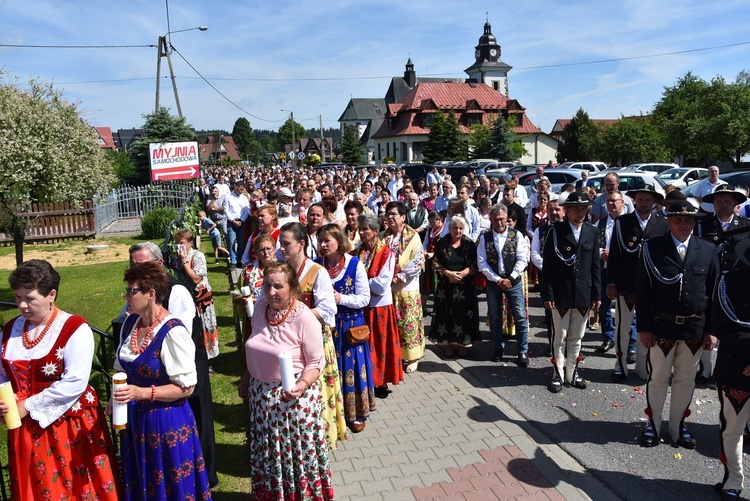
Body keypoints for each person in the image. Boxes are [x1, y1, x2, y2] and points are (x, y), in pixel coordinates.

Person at [0, 260, 120, 501]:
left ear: (51, 295)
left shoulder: (74, 329)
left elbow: (74, 382)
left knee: (70, 487)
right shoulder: (10, 329)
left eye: (30, 298)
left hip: (67, 426)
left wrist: (28, 406)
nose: (22, 305)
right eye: (17, 297)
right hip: (22, 426)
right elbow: (2, 374)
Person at [114, 261, 211, 500]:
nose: (126, 295)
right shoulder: (130, 324)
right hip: (136, 423)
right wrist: (116, 399)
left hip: (166, 423)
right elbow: (122, 371)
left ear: (151, 294)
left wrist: (141, 393)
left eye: (131, 291)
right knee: (141, 482)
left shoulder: (173, 331)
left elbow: (186, 387)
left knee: (169, 486)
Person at [237, 262, 334, 500]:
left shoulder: (304, 318)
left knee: (294, 460)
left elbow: (315, 363)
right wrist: (246, 378)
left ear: (292, 288)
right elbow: (255, 345)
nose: (270, 292)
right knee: (269, 457)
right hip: (262, 401)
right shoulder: (260, 308)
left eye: (278, 286)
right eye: (267, 285)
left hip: (293, 404)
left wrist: (300, 386)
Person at [635, 200, 719, 448]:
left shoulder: (707, 249)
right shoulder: (652, 248)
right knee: (658, 377)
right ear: (669, 221)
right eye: (678, 220)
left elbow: (713, 292)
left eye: (689, 220)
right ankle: (653, 424)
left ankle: (678, 426)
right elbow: (643, 291)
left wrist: (712, 330)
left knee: (686, 380)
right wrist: (644, 327)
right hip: (662, 326)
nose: (684, 225)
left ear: (695, 222)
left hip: (694, 328)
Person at [278, 222, 346, 449]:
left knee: (317, 390)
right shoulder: (283, 271)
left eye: (286, 244)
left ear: (301, 244)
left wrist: (297, 314)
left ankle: (321, 436)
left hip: (315, 341)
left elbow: (328, 309)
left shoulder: (318, 272)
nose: (282, 248)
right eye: (281, 244)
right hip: (289, 340)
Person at [606, 185, 669, 382]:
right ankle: (620, 365)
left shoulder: (663, 224)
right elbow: (615, 255)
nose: (644, 204)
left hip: (652, 287)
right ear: (634, 200)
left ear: (654, 202)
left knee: (646, 327)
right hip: (627, 284)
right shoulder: (623, 222)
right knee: (623, 327)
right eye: (640, 199)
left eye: (648, 200)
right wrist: (611, 282)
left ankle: (643, 366)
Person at [540, 190, 601, 393]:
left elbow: (595, 267)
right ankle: (558, 373)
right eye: (575, 208)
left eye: (583, 208)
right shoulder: (555, 232)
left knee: (577, 336)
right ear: (566, 210)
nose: (580, 212)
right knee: (560, 336)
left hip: (583, 293)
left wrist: (596, 294)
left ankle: (572, 372)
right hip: (561, 293)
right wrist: (547, 294)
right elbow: (547, 266)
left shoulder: (592, 231)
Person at [317, 224, 374, 433]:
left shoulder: (355, 264)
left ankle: (355, 414)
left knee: (351, 370)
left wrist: (341, 298)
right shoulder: (317, 265)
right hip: (325, 327)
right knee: (329, 370)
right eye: (320, 240)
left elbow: (364, 298)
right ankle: (331, 415)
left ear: (339, 242)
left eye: (327, 240)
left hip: (350, 327)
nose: (323, 245)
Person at [695, 185, 750, 384]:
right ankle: (704, 369)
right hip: (712, 280)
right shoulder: (703, 225)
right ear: (713, 204)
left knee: (732, 324)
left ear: (736, 203)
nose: (723, 204)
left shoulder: (746, 225)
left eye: (727, 200)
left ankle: (728, 364)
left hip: (737, 285)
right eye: (719, 201)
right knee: (709, 321)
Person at [352, 213, 404, 398]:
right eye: (361, 228)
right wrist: (364, 281)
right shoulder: (357, 252)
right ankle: (365, 380)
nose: (363, 232)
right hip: (361, 305)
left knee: (380, 346)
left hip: (379, 306)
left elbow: (382, 285)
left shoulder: (387, 253)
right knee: (363, 343)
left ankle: (380, 382)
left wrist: (361, 281)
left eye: (366, 228)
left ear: (376, 231)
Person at [712, 249, 750, 501]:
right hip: (735, 366)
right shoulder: (729, 280)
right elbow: (723, 324)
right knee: (732, 428)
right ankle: (733, 481)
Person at [478, 205, 531, 366]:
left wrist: (511, 277)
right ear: (491, 220)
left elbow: (523, 259)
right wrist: (497, 279)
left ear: (506, 217)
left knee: (520, 317)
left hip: (513, 281)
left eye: (501, 218)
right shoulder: (484, 238)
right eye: (495, 220)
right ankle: (498, 348)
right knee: (495, 317)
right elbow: (482, 262)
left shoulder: (517, 235)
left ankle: (522, 351)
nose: (499, 222)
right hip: (494, 282)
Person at [381, 201, 426, 373]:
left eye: (394, 214)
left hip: (407, 287)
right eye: (388, 214)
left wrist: (401, 274)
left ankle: (413, 357)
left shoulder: (412, 236)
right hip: (388, 288)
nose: (390, 217)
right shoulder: (383, 237)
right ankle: (397, 355)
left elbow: (418, 260)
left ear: (403, 217)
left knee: (409, 322)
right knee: (394, 324)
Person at [429, 215, 480, 357]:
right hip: (446, 285)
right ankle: (450, 344)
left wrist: (463, 273)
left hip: (465, 285)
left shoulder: (469, 244)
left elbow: (476, 263)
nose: (458, 231)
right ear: (449, 228)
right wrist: (448, 274)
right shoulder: (442, 242)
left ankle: (463, 344)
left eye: (460, 228)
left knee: (463, 314)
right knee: (447, 314)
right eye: (455, 228)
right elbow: (435, 263)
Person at [172, 228, 220, 360]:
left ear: (190, 243)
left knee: (204, 327)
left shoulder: (198, 256)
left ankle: (208, 360)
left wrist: (184, 263)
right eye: (176, 243)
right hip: (185, 299)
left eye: (181, 243)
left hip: (200, 300)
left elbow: (195, 279)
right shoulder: (174, 258)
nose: (178, 246)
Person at [594, 190, 626, 354]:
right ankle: (608, 337)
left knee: (628, 309)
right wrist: (603, 253)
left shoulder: (629, 222)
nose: (611, 204)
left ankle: (630, 344)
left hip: (624, 273)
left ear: (622, 202)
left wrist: (613, 255)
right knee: (604, 307)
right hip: (604, 271)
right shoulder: (601, 223)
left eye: (614, 201)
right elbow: (594, 244)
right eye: (608, 202)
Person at [223, 179, 251, 269]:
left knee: (241, 242)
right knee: (231, 241)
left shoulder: (244, 198)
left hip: (241, 221)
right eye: (240, 189)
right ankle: (233, 261)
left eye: (243, 189)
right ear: (236, 187)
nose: (242, 191)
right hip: (232, 221)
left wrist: (242, 220)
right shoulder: (228, 197)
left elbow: (247, 210)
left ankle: (239, 260)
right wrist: (233, 220)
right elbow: (226, 210)